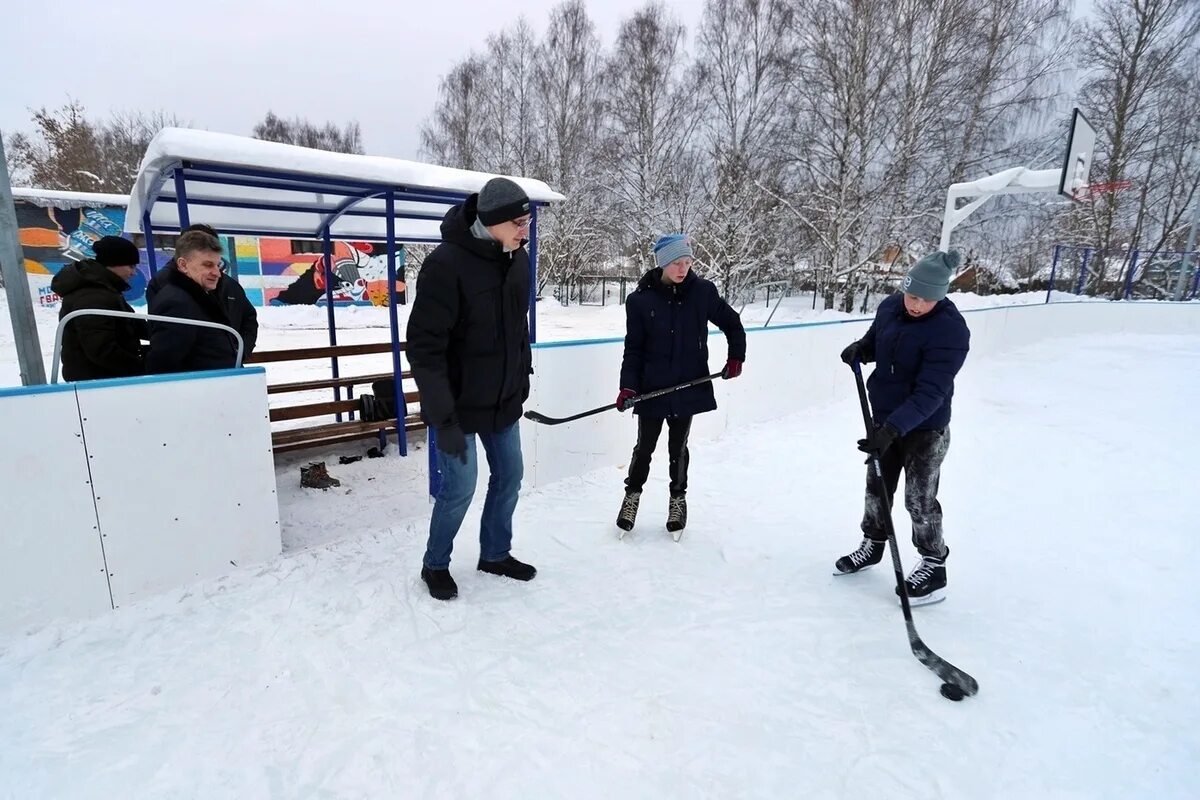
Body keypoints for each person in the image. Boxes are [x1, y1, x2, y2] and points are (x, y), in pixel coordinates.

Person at [406, 177, 537, 601]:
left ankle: (495, 554)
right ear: (493, 221)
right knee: (460, 487)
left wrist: (523, 376)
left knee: (510, 476)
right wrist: (441, 417)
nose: (525, 230)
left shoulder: (517, 258)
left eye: (527, 220)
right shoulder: (446, 265)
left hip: (503, 399)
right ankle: (435, 563)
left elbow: (519, 328)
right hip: (457, 408)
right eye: (518, 222)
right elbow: (425, 349)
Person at [834, 249, 971, 605]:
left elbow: (932, 393)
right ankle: (873, 543)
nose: (916, 305)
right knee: (876, 487)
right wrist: (862, 349)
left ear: (940, 297)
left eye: (926, 300)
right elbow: (879, 338)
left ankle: (933, 562)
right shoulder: (891, 306)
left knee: (919, 500)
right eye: (912, 295)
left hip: (926, 427)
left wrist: (894, 429)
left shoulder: (950, 331)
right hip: (885, 415)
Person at [615, 234, 746, 536]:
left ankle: (678, 499)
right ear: (663, 263)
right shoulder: (640, 301)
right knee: (644, 447)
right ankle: (631, 496)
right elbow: (633, 349)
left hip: (688, 385)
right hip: (651, 388)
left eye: (687, 262)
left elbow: (732, 323)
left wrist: (736, 356)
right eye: (676, 263)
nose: (683, 268)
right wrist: (628, 387)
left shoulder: (703, 293)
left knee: (679, 446)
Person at [146, 223, 258, 355]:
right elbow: (165, 346)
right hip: (196, 371)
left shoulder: (229, 284)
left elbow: (248, 319)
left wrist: (240, 352)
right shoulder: (165, 285)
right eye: (207, 263)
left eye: (216, 263)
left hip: (227, 367)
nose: (216, 272)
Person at [52, 235, 148, 381]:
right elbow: (102, 351)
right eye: (131, 266)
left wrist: (161, 335)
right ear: (114, 263)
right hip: (96, 383)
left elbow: (130, 323)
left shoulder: (105, 289)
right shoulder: (93, 296)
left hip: (104, 378)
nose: (134, 272)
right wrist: (144, 367)